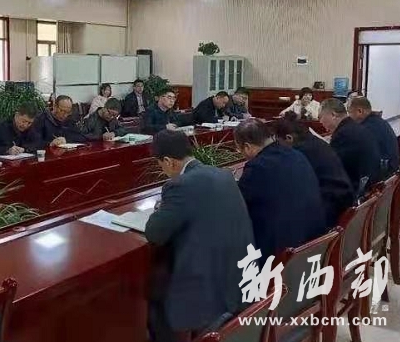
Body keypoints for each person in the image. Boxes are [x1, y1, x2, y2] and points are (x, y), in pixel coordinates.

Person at [145, 130, 254, 342]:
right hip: (239, 276)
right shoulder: (223, 175)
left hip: (206, 289)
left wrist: (161, 210)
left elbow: (154, 233)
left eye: (161, 164)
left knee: (154, 298)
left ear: (168, 161)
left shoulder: (179, 185)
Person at [234, 119, 326, 261]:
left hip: (282, 254)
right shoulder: (297, 154)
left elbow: (238, 207)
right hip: (315, 242)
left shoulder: (256, 168)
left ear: (247, 147)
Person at [274, 113, 355, 227]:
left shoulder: (300, 152)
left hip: (333, 206)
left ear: (289, 138)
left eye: (279, 143)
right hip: (343, 197)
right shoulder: (314, 141)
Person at [319, 98, 382, 195]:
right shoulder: (354, 127)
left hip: (359, 192)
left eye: (320, 117)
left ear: (333, 115)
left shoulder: (343, 134)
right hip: (370, 184)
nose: (320, 122)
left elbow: (331, 168)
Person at [348, 97, 400, 176]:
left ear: (359, 111)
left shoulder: (366, 129)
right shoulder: (379, 121)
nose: (349, 117)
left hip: (382, 175)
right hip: (392, 170)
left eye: (350, 112)